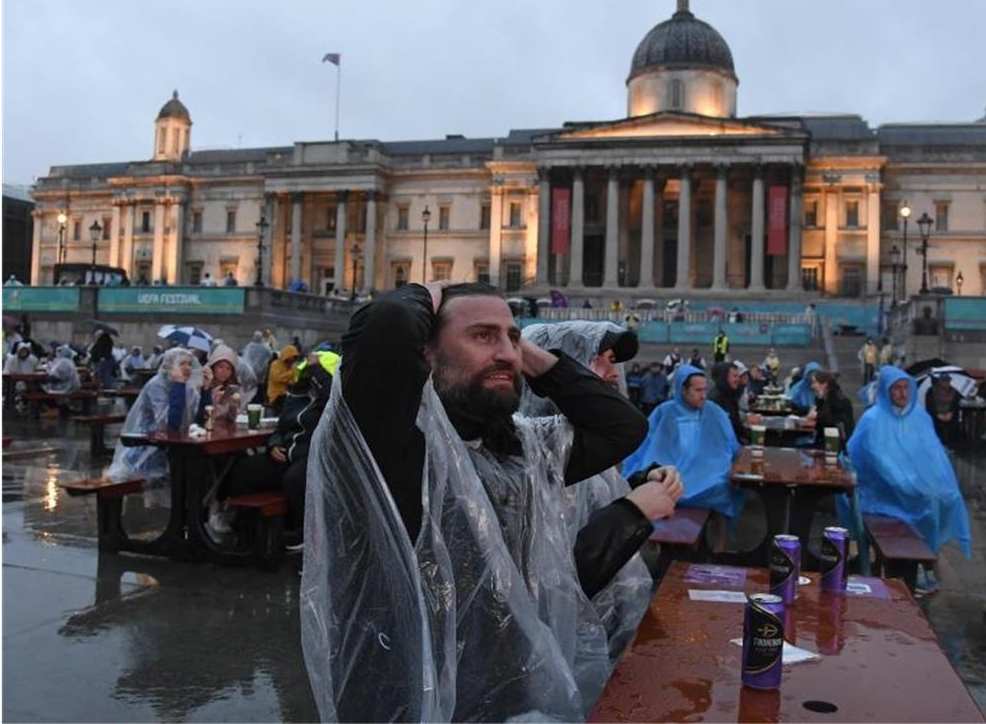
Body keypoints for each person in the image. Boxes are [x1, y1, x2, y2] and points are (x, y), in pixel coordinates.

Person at [301, 281, 649, 721]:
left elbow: (623, 427)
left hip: (508, 698)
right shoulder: (387, 447)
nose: (506, 352)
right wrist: (433, 291)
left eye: (512, 336)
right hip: (401, 704)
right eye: (482, 335)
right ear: (424, 351)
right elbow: (389, 324)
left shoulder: (518, 450)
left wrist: (532, 357)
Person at [520, 320, 681, 661]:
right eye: (601, 355)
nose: (614, 369)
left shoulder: (574, 445)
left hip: (605, 638)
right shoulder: (523, 458)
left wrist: (641, 485)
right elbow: (551, 588)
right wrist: (633, 512)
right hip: (556, 658)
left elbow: (591, 506)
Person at [843, 366, 972, 596]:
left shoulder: (920, 417)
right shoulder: (873, 420)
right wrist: (908, 485)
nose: (903, 394)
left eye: (906, 388)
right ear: (886, 391)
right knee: (925, 504)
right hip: (880, 492)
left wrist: (942, 483)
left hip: (913, 483)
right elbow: (878, 462)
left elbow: (934, 454)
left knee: (946, 499)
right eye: (897, 389)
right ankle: (920, 563)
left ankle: (926, 559)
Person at [623, 364, 744, 549]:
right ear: (683, 390)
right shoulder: (664, 412)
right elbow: (646, 444)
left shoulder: (714, 411)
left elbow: (731, 444)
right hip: (671, 472)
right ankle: (658, 542)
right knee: (660, 486)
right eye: (697, 390)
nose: (703, 395)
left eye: (704, 389)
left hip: (706, 474)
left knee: (722, 488)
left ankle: (718, 548)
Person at [228, 350, 339, 547]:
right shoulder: (297, 395)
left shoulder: (331, 404)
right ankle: (245, 530)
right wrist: (273, 444)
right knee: (244, 469)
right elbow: (281, 427)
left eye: (314, 374)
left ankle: (300, 533)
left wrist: (317, 368)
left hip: (311, 458)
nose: (308, 377)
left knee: (295, 480)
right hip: (285, 456)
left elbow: (332, 392)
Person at [106, 348, 200, 482]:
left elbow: (196, 416)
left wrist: (208, 393)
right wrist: (178, 387)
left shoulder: (187, 387)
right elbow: (168, 424)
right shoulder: (157, 385)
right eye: (182, 363)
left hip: (172, 447)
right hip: (149, 448)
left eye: (190, 364)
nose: (187, 368)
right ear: (170, 364)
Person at [807, 370, 855, 450]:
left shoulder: (838, 400)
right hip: (827, 439)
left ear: (824, 384)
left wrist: (817, 414)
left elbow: (829, 419)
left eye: (814, 382)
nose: (812, 386)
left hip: (836, 442)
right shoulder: (825, 397)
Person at [708, 361, 752, 444]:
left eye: (738, 376)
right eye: (734, 376)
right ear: (724, 378)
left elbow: (737, 426)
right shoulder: (715, 400)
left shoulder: (730, 395)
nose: (738, 379)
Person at [198, 345, 244, 426]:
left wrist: (233, 406)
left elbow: (232, 419)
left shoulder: (231, 389)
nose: (224, 371)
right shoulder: (203, 386)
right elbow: (199, 418)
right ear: (213, 367)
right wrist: (212, 401)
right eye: (220, 367)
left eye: (228, 368)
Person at [925, 373, 961, 446]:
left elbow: (956, 404)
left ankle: (953, 444)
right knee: (932, 420)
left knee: (955, 422)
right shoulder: (931, 391)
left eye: (948, 381)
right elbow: (929, 405)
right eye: (944, 381)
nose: (946, 383)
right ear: (940, 381)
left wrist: (951, 413)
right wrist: (938, 414)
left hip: (949, 414)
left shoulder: (954, 391)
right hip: (936, 414)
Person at [265, 345, 299, 414]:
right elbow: (278, 378)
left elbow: (293, 380)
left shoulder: (290, 366)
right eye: (291, 358)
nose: (292, 360)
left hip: (287, 394)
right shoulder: (275, 365)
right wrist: (292, 372)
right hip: (277, 395)